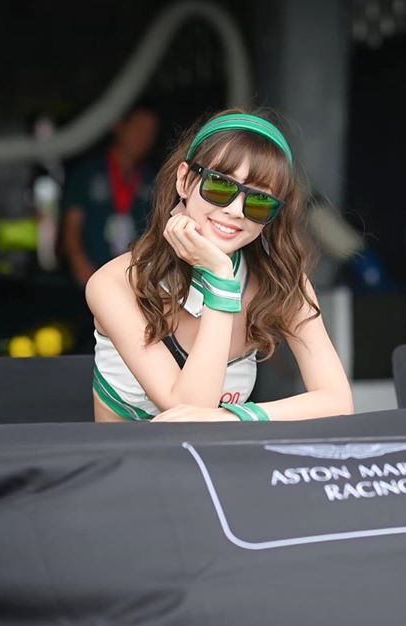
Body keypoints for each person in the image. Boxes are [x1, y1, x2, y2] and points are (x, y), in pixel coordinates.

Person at [85, 109, 354, 422]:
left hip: (223, 451)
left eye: (260, 201)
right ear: (185, 180)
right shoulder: (114, 283)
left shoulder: (280, 281)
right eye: (221, 186)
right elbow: (190, 409)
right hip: (130, 453)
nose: (236, 210)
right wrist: (221, 280)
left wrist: (235, 418)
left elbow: (337, 401)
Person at [62, 104, 159, 285]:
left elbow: (155, 232)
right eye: (138, 128)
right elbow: (72, 226)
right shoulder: (88, 172)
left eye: (150, 132)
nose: (144, 137)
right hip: (88, 276)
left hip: (132, 280)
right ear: (119, 126)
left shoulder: (152, 179)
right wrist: (79, 264)